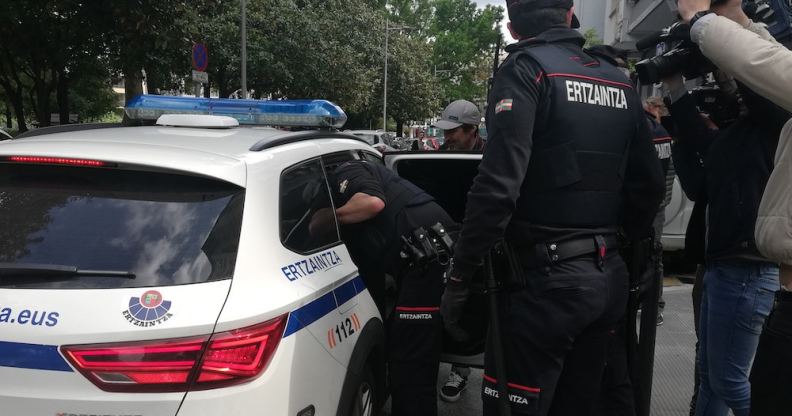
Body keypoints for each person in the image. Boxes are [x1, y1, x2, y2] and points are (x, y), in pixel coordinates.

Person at [439, 1, 665, 415]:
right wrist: (613, 245)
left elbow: (497, 188)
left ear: (512, 27)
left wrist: (460, 274)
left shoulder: (525, 70)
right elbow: (649, 185)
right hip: (605, 280)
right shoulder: (618, 80)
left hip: (543, 289)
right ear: (570, 13)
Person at [676, 1, 792, 414]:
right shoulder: (740, 132)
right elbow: (772, 61)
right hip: (745, 269)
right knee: (716, 378)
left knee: (740, 386)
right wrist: (736, 18)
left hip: (749, 270)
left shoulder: (768, 121)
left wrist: (701, 19)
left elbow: (764, 64)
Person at [312, 159, 455, 416]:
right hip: (420, 254)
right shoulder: (359, 174)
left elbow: (373, 203)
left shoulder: (345, 168)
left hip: (425, 256)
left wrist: (327, 218)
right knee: (410, 350)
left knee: (411, 357)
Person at [435, 99, 485, 403]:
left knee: (479, 309)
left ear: (471, 130)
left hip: (483, 241)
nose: (447, 138)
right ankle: (458, 365)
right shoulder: (442, 156)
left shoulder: (493, 157)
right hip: (447, 239)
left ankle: (463, 368)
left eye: (453, 132)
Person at [644, 96, 674, 326]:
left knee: (651, 257)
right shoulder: (664, 135)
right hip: (658, 207)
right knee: (654, 257)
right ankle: (655, 306)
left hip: (651, 207)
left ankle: (654, 305)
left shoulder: (654, 134)